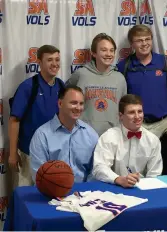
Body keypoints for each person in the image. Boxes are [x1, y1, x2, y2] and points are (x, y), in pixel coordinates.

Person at [8, 45, 64, 187]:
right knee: (25, 197)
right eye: (49, 60)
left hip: (53, 155)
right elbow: (14, 120)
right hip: (28, 154)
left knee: (50, 198)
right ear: (39, 62)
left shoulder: (62, 86)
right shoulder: (28, 87)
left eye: (57, 59)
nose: (54, 64)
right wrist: (13, 153)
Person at [117, 25, 167, 137]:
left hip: (163, 125)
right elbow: (119, 98)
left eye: (147, 39)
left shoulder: (165, 62)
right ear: (132, 44)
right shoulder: (124, 66)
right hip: (134, 125)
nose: (144, 43)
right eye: (139, 40)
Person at [29, 86, 98, 183]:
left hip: (84, 194)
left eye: (81, 104)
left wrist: (85, 192)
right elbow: (39, 174)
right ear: (60, 103)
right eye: (73, 103)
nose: (78, 108)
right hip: (51, 193)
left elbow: (95, 170)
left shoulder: (91, 134)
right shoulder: (42, 135)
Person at [92, 94, 162, 188]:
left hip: (143, 189)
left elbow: (155, 174)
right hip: (113, 188)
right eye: (132, 112)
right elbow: (99, 168)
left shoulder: (153, 140)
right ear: (121, 116)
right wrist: (118, 179)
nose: (137, 116)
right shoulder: (108, 137)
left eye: (140, 111)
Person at [66, 33, 127, 136]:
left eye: (111, 50)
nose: (108, 54)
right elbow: (66, 100)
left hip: (112, 136)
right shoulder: (81, 74)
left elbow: (124, 109)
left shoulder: (120, 78)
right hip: (83, 135)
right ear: (94, 53)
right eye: (104, 50)